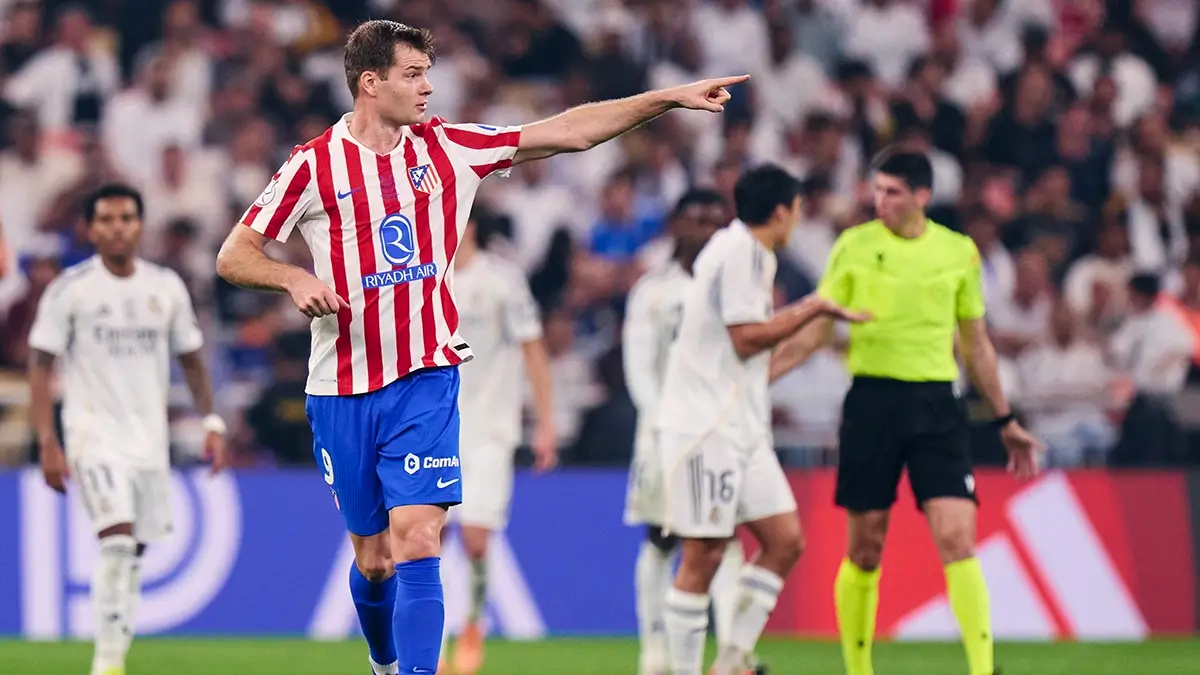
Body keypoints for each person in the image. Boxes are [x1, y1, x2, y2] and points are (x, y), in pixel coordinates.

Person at [214, 19, 749, 675]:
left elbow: (569, 132)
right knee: (374, 559)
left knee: (419, 538)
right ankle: (385, 664)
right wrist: (292, 275)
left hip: (427, 378)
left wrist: (664, 97)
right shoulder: (314, 164)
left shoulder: (450, 149)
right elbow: (234, 254)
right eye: (413, 75)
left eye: (428, 73)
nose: (428, 87)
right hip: (342, 387)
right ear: (371, 82)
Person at [772, 149, 1042, 675]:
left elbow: (976, 342)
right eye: (876, 190)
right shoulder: (853, 246)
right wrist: (759, 376)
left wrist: (1005, 417)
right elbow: (819, 330)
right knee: (866, 546)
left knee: (957, 536)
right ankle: (858, 669)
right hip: (872, 402)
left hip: (938, 403)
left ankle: (984, 669)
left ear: (923, 196)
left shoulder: (958, 252)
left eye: (893, 192)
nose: (881, 201)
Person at [656, 165, 868, 675]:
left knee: (784, 540)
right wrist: (814, 306)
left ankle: (731, 662)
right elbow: (747, 337)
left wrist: (809, 328)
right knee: (703, 556)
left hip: (742, 428)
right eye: (796, 208)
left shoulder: (751, 254)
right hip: (706, 430)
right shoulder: (739, 253)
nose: (796, 218)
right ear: (781, 211)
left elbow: (751, 354)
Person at [27, 184, 228, 675]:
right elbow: (39, 364)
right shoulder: (71, 290)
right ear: (91, 229)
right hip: (92, 436)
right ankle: (107, 664)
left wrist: (212, 421)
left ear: (139, 226)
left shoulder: (165, 288)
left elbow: (192, 360)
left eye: (125, 219)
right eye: (106, 220)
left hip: (148, 444)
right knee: (116, 542)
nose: (117, 228)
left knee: (132, 554)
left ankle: (115, 651)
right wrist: (48, 443)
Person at [622, 189, 753, 675]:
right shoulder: (653, 290)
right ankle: (653, 650)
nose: (706, 231)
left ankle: (732, 655)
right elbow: (640, 371)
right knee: (660, 539)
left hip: (721, 434)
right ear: (676, 224)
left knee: (724, 538)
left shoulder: (733, 287)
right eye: (696, 220)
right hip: (662, 438)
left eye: (716, 222)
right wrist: (668, 425)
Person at [440, 210, 556, 675]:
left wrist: (546, 423)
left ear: (470, 225)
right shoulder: (424, 275)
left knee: (475, 539)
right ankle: (438, 640)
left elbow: (533, 348)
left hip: (490, 429)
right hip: (435, 429)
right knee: (426, 538)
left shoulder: (504, 282)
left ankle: (473, 622)